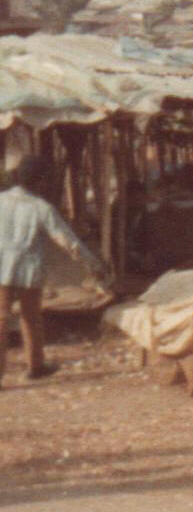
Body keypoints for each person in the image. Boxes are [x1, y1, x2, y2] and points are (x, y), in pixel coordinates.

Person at [0, 155, 106, 385]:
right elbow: (67, 241)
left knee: (0, 318)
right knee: (31, 318)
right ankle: (35, 366)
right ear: (39, 181)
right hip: (29, 268)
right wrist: (94, 264)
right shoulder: (41, 207)